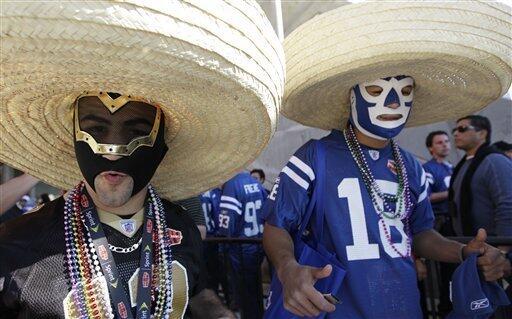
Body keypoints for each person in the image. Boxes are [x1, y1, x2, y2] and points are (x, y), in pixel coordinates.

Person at [0, 1, 285, 318]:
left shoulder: (180, 228)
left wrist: (217, 312)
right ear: (72, 138)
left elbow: (196, 288)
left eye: (136, 131)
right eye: (95, 129)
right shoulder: (15, 245)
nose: (112, 150)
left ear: (163, 148)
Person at [261, 2, 512, 318]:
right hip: (337, 308)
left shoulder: (411, 166)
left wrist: (462, 252)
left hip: (403, 305)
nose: (393, 101)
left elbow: (420, 234)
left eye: (404, 90)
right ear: (353, 97)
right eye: (378, 89)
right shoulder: (314, 156)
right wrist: (287, 267)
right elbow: (276, 225)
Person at [218, 171, 267, 319]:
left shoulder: (232, 185)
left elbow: (226, 225)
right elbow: (267, 211)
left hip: (240, 247)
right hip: (257, 242)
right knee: (255, 289)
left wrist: (222, 248)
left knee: (245, 293)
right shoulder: (256, 183)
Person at [423, 130, 455, 315]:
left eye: (446, 141)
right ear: (430, 148)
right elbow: (426, 197)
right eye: (439, 142)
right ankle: (446, 308)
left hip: (454, 222)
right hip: (440, 226)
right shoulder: (428, 169)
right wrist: (451, 193)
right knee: (446, 272)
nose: (445, 144)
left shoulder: (452, 167)